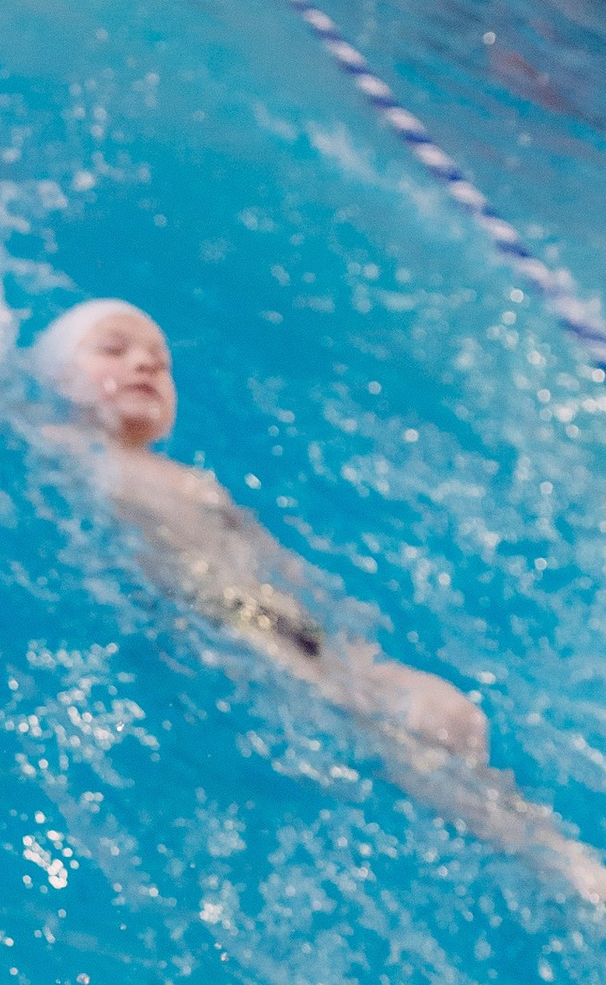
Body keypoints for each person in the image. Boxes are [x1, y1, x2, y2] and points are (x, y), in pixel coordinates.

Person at [31, 296, 606, 902]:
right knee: (403, 745)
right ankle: (558, 871)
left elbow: (277, 566)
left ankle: (559, 853)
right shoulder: (66, 446)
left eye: (161, 361)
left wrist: (349, 637)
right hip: (224, 625)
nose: (145, 364)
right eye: (114, 350)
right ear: (59, 376)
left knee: (451, 715)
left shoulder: (198, 483)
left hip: (294, 629)